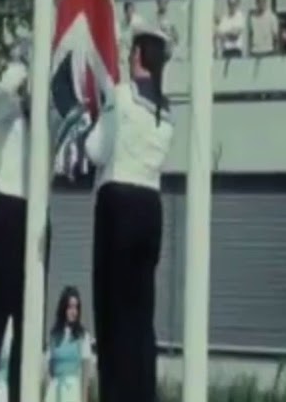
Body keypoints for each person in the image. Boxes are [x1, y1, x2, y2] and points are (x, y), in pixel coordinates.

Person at [82, 26, 175, 402]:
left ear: (137, 55)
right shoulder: (167, 112)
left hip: (118, 201)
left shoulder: (121, 96)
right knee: (140, 317)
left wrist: (88, 123)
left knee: (112, 313)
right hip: (150, 205)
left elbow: (95, 150)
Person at [0, 44, 48, 402]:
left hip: (38, 215)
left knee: (29, 326)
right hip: (10, 210)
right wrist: (28, 70)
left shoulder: (49, 119)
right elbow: (5, 87)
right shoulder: (9, 110)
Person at [43, 287, 94, 402]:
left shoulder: (82, 336)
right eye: (70, 307)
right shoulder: (54, 336)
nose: (73, 312)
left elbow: (86, 369)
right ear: (63, 308)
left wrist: (84, 398)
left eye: (76, 307)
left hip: (73, 389)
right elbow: (49, 368)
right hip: (55, 388)